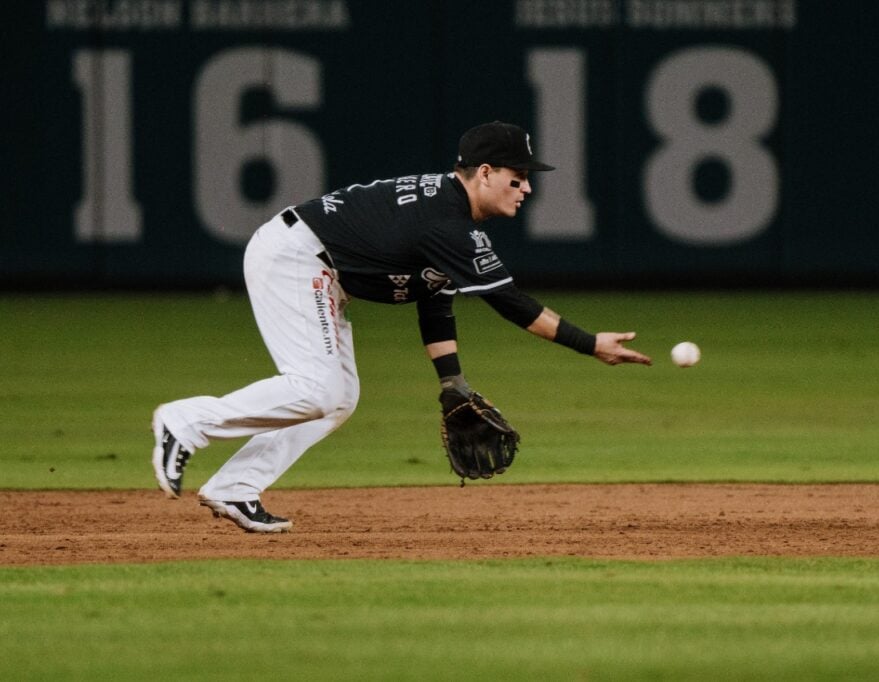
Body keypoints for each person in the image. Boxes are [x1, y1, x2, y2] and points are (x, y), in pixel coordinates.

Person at [152, 121, 652, 533]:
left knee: (339, 397)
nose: (527, 187)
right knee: (315, 387)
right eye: (517, 177)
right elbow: (509, 302)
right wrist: (590, 344)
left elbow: (435, 303)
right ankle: (186, 423)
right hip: (296, 258)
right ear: (483, 172)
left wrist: (452, 385)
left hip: (317, 265)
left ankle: (235, 487)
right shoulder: (449, 224)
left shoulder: (452, 218)